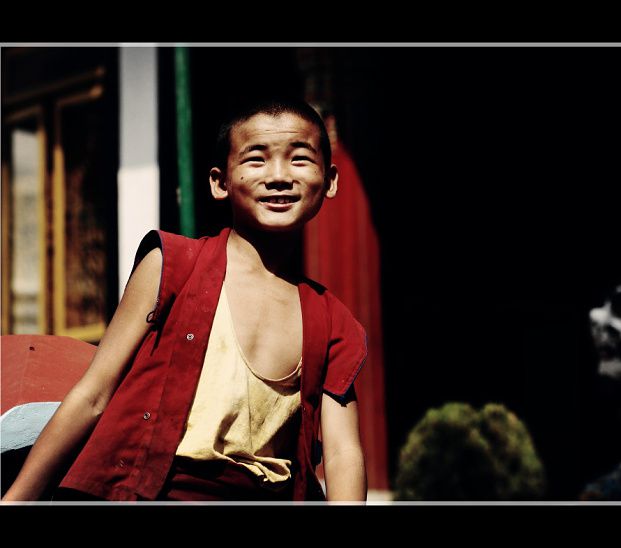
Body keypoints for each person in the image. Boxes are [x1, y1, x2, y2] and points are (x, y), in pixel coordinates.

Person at [2, 97, 368, 502]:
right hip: (151, 491)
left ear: (329, 180)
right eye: (256, 159)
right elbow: (94, 394)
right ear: (219, 182)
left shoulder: (333, 322)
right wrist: (16, 499)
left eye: (299, 159)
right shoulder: (173, 266)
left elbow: (342, 453)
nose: (279, 176)